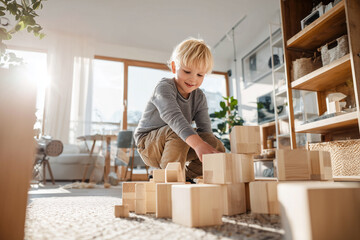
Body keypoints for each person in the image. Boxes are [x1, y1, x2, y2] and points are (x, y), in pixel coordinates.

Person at [134, 37, 225, 181]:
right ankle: (168, 180)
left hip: (178, 144)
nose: (193, 79)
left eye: (200, 75)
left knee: (214, 144)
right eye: (187, 71)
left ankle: (185, 177)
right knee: (179, 130)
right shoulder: (164, 87)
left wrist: (207, 146)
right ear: (174, 67)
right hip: (149, 146)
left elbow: (206, 131)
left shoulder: (199, 96)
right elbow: (173, 118)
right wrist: (198, 144)